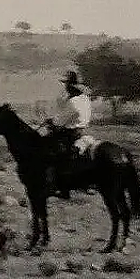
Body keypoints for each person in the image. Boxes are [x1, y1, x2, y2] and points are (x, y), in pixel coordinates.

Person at [42, 71, 93, 199]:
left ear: (70, 86)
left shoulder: (72, 102)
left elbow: (59, 122)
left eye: (66, 85)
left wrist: (51, 122)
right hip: (82, 131)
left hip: (69, 134)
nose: (65, 87)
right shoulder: (85, 99)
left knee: (49, 152)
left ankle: (60, 187)